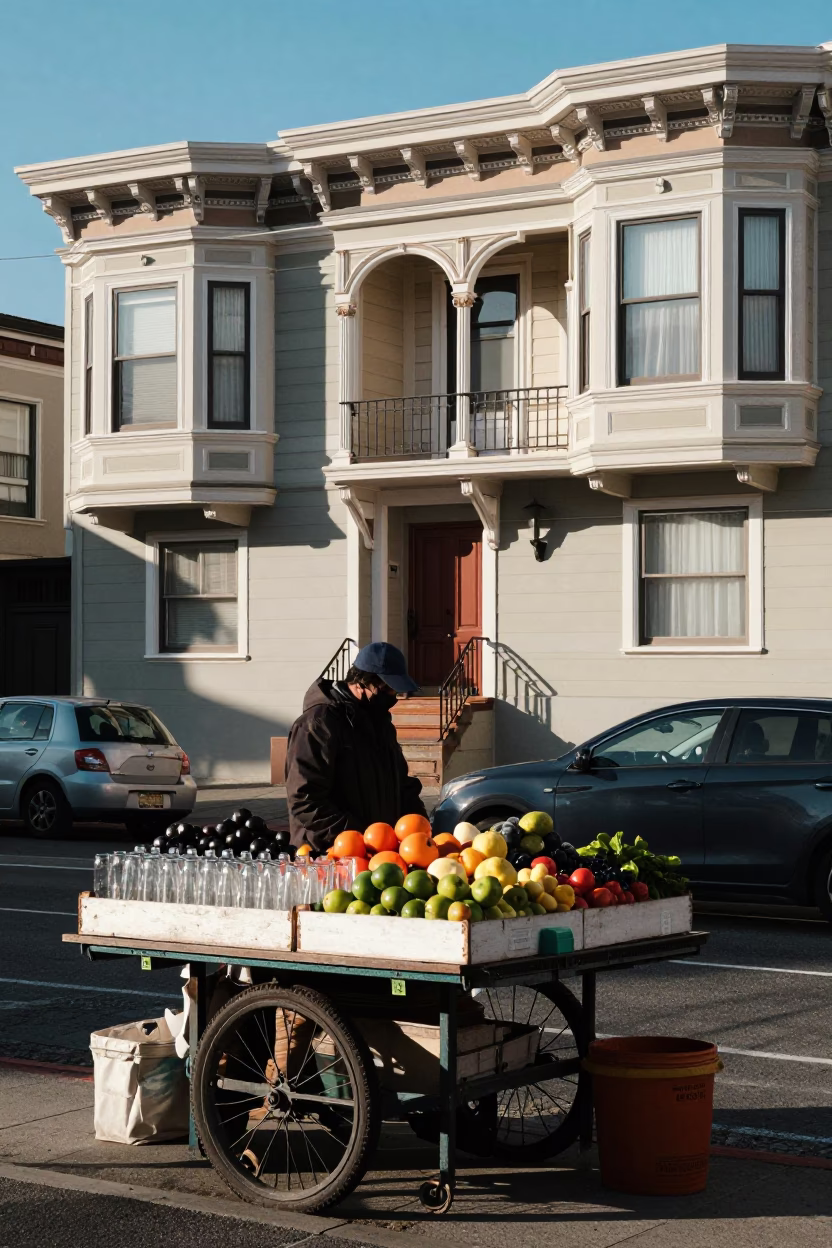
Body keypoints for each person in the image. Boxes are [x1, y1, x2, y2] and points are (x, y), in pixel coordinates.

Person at [286, 642, 428, 853]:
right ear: (362, 682)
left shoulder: (381, 723)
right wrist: (360, 838)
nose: (393, 696)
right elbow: (305, 799)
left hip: (378, 851)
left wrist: (420, 825)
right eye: (387, 688)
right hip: (330, 853)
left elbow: (402, 785)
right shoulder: (318, 724)